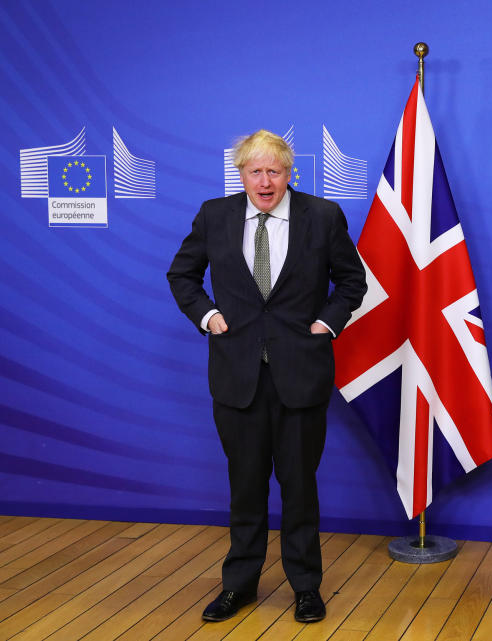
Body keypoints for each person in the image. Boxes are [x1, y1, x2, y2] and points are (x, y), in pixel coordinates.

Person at [167, 130, 366, 624]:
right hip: (236, 377)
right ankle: (239, 585)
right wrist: (208, 316)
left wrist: (327, 323)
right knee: (245, 486)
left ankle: (305, 588)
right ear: (241, 175)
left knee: (299, 487)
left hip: (301, 374)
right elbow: (182, 276)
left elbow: (352, 281)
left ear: (289, 173)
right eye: (254, 171)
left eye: (274, 171)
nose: (265, 181)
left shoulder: (322, 216)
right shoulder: (215, 215)